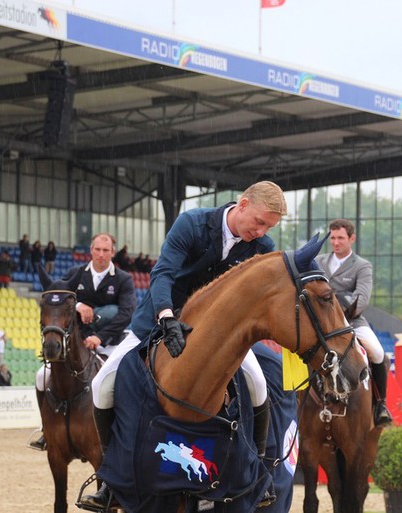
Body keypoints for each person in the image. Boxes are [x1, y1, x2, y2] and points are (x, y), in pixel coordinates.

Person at [79, 181, 287, 509]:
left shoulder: (261, 246)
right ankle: (110, 480)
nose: (261, 232)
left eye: (269, 227)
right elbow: (163, 273)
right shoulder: (192, 223)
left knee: (259, 386)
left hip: (220, 336)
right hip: (159, 319)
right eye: (259, 222)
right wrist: (166, 315)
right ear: (243, 205)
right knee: (101, 385)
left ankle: (258, 475)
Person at [31, 233, 137, 455]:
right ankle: (46, 429)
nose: (101, 254)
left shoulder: (123, 279)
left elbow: (127, 313)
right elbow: (60, 300)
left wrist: (100, 337)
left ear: (112, 253)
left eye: (105, 251)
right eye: (97, 250)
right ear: (91, 250)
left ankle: (123, 430)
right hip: (78, 343)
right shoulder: (75, 274)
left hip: (110, 342)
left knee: (125, 380)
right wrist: (79, 306)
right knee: (41, 375)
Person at [315, 218, 393, 426]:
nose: (336, 242)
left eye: (340, 238)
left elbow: (362, 299)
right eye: (332, 238)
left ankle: (380, 404)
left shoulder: (362, 266)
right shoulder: (320, 262)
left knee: (377, 352)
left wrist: (339, 313)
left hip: (352, 321)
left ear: (352, 238)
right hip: (321, 324)